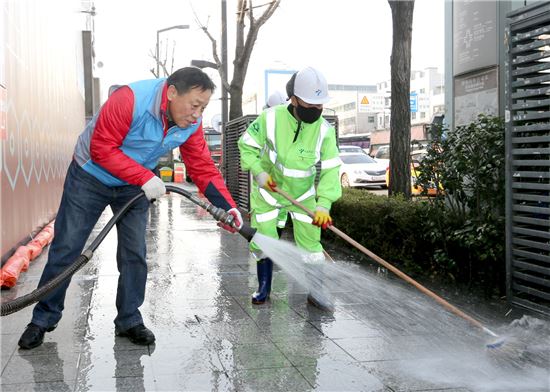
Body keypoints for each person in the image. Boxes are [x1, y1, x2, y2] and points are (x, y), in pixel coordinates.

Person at [18, 67, 242, 349]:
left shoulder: (190, 124)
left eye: (204, 107)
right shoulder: (129, 100)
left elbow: (202, 167)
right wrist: (145, 177)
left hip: (134, 183)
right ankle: (42, 320)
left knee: (134, 252)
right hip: (90, 174)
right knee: (67, 247)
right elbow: (102, 149)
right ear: (172, 93)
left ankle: (129, 319)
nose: (198, 114)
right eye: (195, 105)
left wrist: (227, 207)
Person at [238, 66, 342, 310]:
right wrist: (259, 172)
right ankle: (264, 288)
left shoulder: (325, 131)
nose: (316, 111)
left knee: (311, 245)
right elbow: (246, 146)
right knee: (264, 239)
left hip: (303, 195)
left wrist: (324, 204)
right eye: (309, 105)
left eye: (320, 106)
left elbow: (331, 169)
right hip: (268, 192)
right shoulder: (270, 118)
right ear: (294, 100)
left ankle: (316, 292)